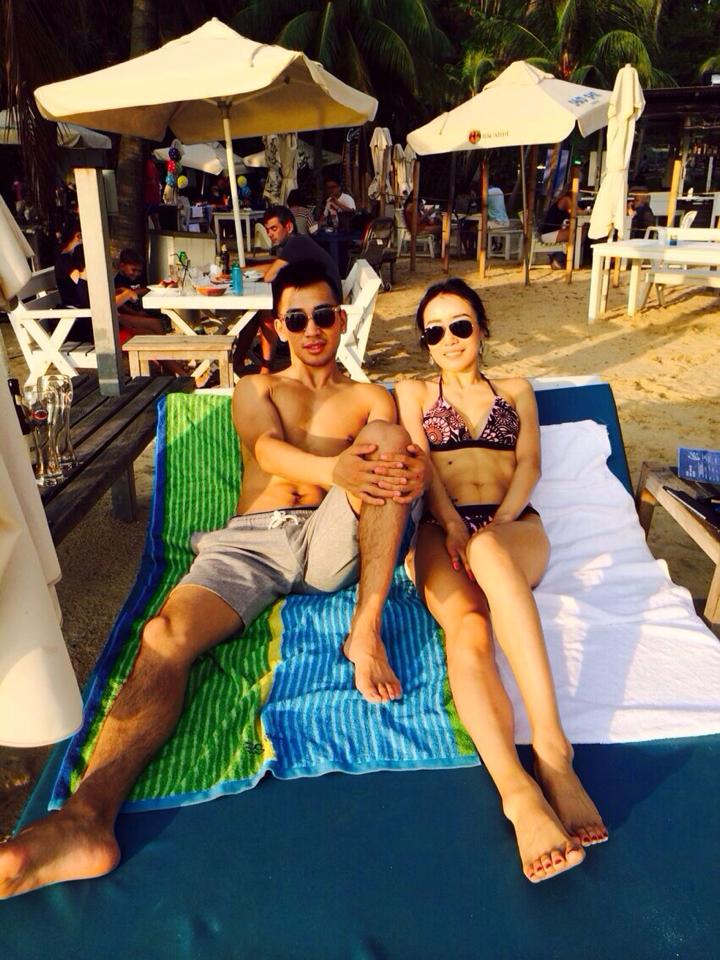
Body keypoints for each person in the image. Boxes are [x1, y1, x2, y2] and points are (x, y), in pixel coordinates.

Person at [0, 260, 428, 900]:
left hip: (330, 538)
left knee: (392, 440)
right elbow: (266, 450)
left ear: (341, 319)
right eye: (297, 318)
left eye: (323, 315)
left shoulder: (370, 398)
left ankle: (364, 632)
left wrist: (406, 472)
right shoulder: (258, 387)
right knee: (165, 636)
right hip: (253, 539)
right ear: (279, 326)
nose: (311, 329)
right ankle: (86, 819)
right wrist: (338, 467)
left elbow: (385, 466)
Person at [394, 277, 607, 884]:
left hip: (514, 526)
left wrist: (497, 524)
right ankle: (518, 794)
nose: (449, 339)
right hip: (440, 529)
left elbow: (530, 464)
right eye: (435, 331)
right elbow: (423, 465)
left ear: (482, 329)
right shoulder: (413, 391)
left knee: (490, 550)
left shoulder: (516, 390)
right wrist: (452, 525)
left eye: (460, 325)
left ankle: (553, 752)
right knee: (467, 629)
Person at [236, 206, 341, 374]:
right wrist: (241, 271)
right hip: (321, 298)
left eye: (274, 229)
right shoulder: (298, 243)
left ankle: (265, 367)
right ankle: (238, 361)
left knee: (265, 311)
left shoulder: (296, 243)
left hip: (324, 307)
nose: (270, 234)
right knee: (255, 312)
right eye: (268, 230)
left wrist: (246, 272)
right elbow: (274, 267)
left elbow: (270, 275)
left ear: (289, 227)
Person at [540, 189, 572, 268]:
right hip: (548, 234)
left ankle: (560, 259)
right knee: (573, 233)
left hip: (550, 232)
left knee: (575, 232)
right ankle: (561, 260)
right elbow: (575, 211)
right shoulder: (566, 200)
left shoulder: (563, 200)